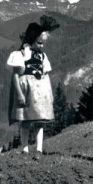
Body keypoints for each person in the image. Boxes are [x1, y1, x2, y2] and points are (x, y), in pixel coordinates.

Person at [7, 15, 60, 158]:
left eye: (43, 43)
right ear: (31, 40)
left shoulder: (42, 56)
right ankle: (24, 149)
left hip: (40, 92)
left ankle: (39, 149)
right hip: (26, 91)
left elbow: (46, 75)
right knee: (25, 121)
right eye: (40, 43)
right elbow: (16, 75)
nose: (42, 46)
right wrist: (19, 94)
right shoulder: (20, 54)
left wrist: (49, 94)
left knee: (39, 121)